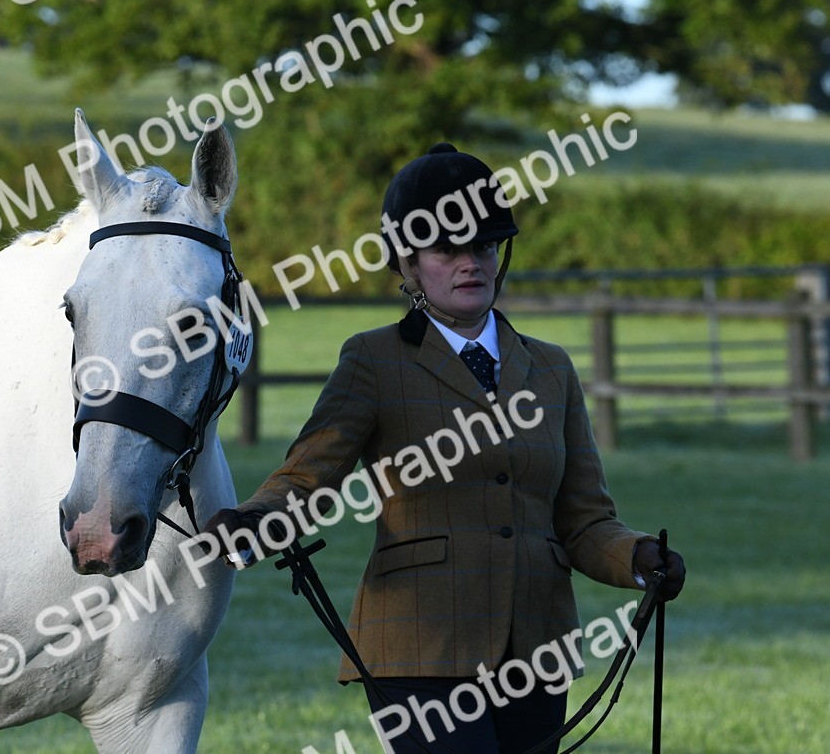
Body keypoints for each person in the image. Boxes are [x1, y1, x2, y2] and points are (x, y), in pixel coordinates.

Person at [203, 143, 687, 754]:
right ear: (406, 264)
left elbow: (585, 520)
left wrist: (638, 556)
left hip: (537, 645)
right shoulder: (373, 361)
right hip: (419, 642)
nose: (469, 264)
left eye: (482, 246)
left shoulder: (552, 369)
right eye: (446, 250)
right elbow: (307, 477)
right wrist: (255, 519)